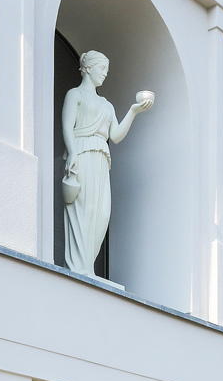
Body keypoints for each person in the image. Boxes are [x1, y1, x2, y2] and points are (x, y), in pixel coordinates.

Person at [61, 50, 154, 277]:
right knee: (83, 209)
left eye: (107, 70)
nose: (105, 74)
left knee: (101, 212)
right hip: (82, 154)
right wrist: (72, 153)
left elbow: (116, 136)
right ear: (89, 68)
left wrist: (133, 111)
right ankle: (79, 268)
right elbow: (67, 126)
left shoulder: (107, 105)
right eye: (102, 69)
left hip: (101, 159)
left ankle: (87, 268)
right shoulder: (75, 95)